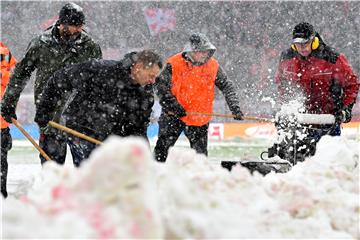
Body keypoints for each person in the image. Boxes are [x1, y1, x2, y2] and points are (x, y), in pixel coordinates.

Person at [1, 3, 102, 166]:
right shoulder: (41, 43)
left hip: (81, 118)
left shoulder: (90, 46)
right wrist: (8, 103)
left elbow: (98, 81)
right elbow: (20, 75)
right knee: (52, 169)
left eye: (80, 26)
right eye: (74, 26)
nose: (78, 30)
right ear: (62, 23)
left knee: (87, 169)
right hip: (49, 115)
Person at [35, 50, 163, 166]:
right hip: (82, 131)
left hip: (111, 138)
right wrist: (44, 110)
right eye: (151, 75)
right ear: (138, 68)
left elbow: (138, 127)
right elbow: (59, 78)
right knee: (92, 176)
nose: (152, 81)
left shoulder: (145, 93)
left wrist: (142, 155)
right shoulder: (101, 70)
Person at [272, 22, 359, 162]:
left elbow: (352, 84)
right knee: (294, 161)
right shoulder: (286, 57)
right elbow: (282, 85)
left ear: (313, 40)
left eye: (305, 43)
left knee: (328, 162)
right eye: (298, 44)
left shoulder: (332, 58)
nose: (302, 48)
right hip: (300, 122)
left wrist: (345, 109)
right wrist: (285, 108)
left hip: (328, 121)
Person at [154, 33, 244, 163]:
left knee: (200, 158)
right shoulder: (173, 64)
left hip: (199, 119)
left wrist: (234, 107)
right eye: (201, 52)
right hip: (173, 115)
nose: (204, 54)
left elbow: (227, 86)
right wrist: (173, 106)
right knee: (162, 152)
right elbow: (160, 88)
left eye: (206, 51)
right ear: (191, 51)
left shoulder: (213, 66)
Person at [0, 42, 17, 198]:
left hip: (1, 123)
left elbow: (15, 77)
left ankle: (2, 191)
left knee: (2, 159)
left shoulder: (5, 52)